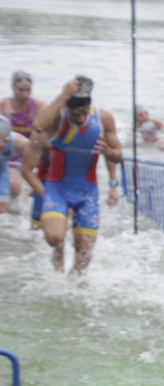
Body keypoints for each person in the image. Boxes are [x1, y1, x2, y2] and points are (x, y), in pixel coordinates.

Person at [20, 76, 122, 275]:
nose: (80, 117)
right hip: (57, 189)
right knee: (54, 237)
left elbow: (118, 156)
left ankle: (72, 286)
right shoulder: (57, 119)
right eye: (75, 112)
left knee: (84, 256)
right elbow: (38, 124)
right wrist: (63, 95)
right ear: (66, 107)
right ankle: (58, 253)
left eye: (84, 111)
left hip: (87, 192)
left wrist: (110, 161)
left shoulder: (104, 119)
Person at [1, 70, 45, 215]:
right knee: (15, 187)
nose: (25, 94)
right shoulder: (3, 105)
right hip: (8, 155)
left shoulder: (38, 106)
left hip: (28, 155)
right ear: (13, 88)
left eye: (28, 90)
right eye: (21, 90)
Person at [0, 116, 31, 216]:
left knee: (3, 209)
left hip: (2, 167)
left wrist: (35, 183)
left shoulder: (19, 142)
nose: (1, 145)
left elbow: (42, 155)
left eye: (5, 140)